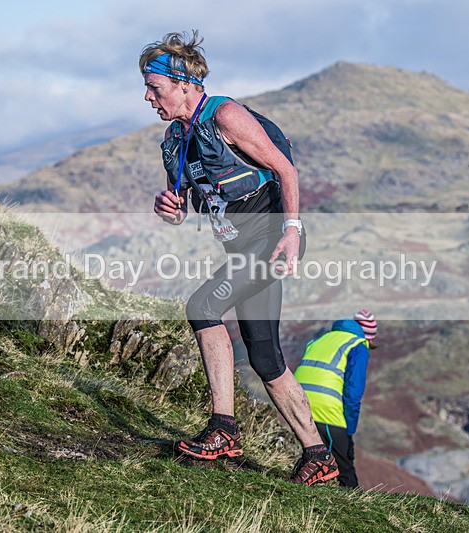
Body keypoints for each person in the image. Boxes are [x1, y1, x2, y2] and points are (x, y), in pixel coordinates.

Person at [141, 31, 339, 486]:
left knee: (202, 306)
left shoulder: (226, 115)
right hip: (241, 246)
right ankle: (318, 456)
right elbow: (182, 206)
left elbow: (286, 170)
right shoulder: (175, 139)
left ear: (184, 83)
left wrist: (292, 232)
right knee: (266, 358)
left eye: (155, 87)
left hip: (270, 238)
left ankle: (223, 430)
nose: (148, 97)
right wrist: (169, 209)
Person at [294, 309, 378, 488]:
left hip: (298, 402)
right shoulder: (358, 345)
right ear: (368, 336)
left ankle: (300, 491)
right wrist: (349, 429)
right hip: (326, 409)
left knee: (312, 457)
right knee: (345, 467)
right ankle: (354, 503)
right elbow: (353, 392)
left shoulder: (320, 339)